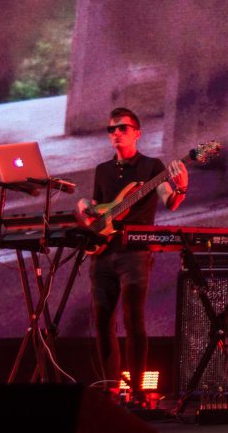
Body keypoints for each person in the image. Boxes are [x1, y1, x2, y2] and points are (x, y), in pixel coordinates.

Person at [77, 107, 189, 406]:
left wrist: (183, 185)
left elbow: (171, 201)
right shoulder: (103, 169)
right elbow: (100, 210)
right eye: (111, 129)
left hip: (135, 253)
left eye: (122, 128)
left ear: (137, 133)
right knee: (102, 319)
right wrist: (86, 208)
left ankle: (138, 390)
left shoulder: (152, 167)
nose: (116, 133)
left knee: (132, 317)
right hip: (103, 253)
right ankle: (110, 387)